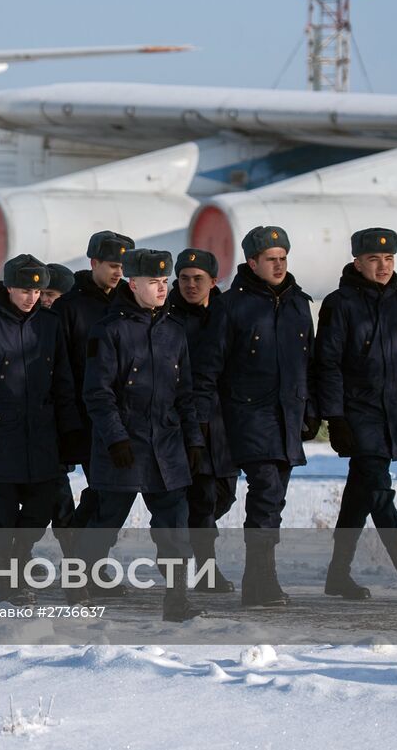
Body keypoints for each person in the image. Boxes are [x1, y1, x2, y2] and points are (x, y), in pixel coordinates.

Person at [316, 228, 397, 602]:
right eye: (374, 259)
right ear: (357, 262)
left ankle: (337, 575)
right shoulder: (340, 304)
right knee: (379, 491)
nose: (383, 266)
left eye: (388, 259)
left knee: (360, 495)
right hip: (358, 412)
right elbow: (328, 363)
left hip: (390, 411)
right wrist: (335, 417)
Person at [81, 249, 205, 622]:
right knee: (105, 520)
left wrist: (194, 439)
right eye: (154, 283)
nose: (162, 289)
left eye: (165, 282)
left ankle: (177, 599)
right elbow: (98, 393)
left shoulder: (174, 331)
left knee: (175, 528)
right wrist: (115, 438)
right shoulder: (109, 330)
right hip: (123, 445)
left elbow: (185, 393)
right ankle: (82, 581)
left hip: (166, 446)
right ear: (133, 283)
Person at [0, 256, 83, 605]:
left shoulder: (50, 325)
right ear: (9, 287)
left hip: (42, 440)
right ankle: (9, 584)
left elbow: (64, 384)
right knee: (0, 518)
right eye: (25, 290)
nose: (32, 297)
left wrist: (69, 432)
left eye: (38, 290)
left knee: (40, 513)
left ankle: (21, 555)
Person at [212, 226, 320, 608]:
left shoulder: (297, 303)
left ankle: (258, 578)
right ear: (251, 262)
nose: (278, 265)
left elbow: (309, 362)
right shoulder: (231, 305)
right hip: (247, 414)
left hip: (287, 415)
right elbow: (214, 367)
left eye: (283, 258)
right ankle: (261, 580)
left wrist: (311, 409)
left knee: (273, 499)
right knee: (266, 493)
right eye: (270, 259)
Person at [167, 248, 239, 592]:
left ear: (213, 281)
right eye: (184, 279)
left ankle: (191, 545)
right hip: (187, 420)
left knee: (225, 495)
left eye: (198, 279)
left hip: (225, 421)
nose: (190, 285)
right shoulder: (167, 317)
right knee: (204, 497)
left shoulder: (226, 315)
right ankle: (206, 572)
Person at [54, 230, 135, 535]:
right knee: (107, 490)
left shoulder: (131, 303)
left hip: (124, 418)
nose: (119, 272)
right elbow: (60, 369)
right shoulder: (70, 307)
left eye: (124, 267)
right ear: (94, 262)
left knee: (114, 492)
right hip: (86, 417)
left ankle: (81, 546)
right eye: (113, 265)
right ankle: (87, 559)